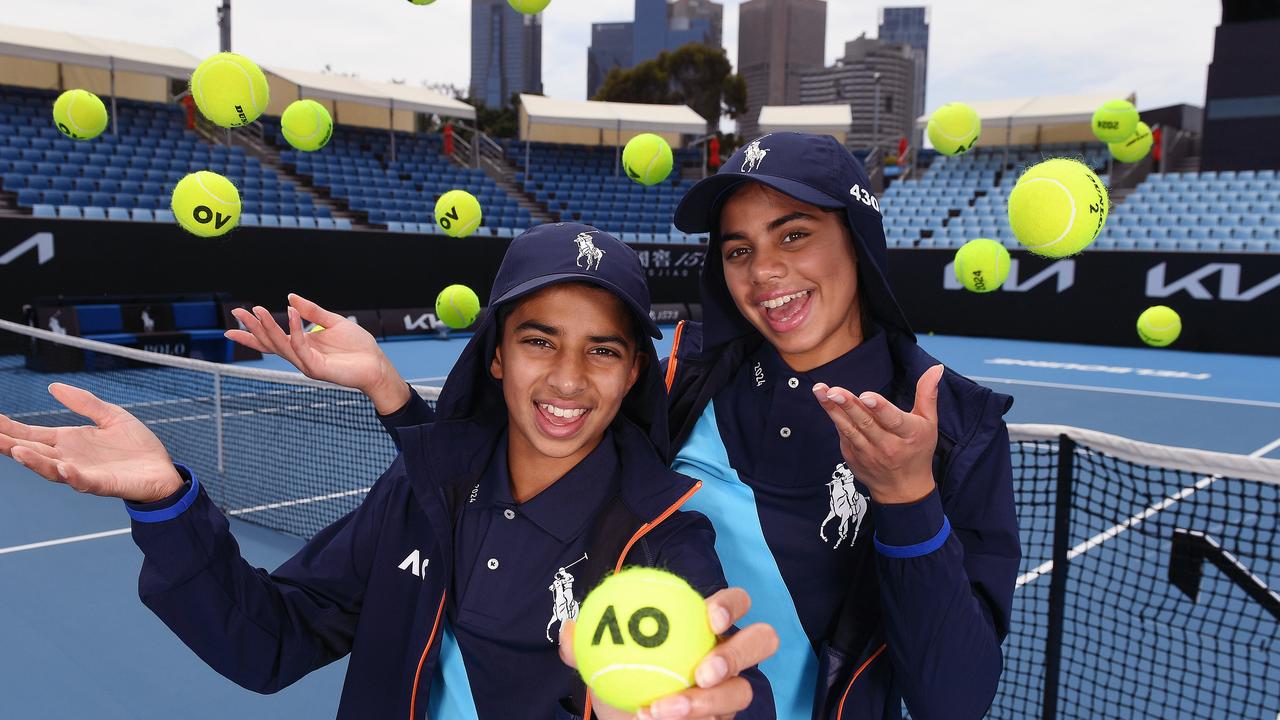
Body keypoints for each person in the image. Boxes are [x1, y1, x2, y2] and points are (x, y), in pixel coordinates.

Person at [0, 223, 777, 720]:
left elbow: (721, 692)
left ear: (634, 370)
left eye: (603, 349)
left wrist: (697, 707)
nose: (570, 379)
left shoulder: (666, 542)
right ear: (497, 355)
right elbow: (268, 643)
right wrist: (169, 504)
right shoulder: (416, 496)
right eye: (541, 341)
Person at [660, 132, 1021, 718]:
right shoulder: (679, 379)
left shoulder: (958, 426)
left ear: (856, 239)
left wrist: (907, 498)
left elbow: (952, 700)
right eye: (738, 250)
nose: (763, 272)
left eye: (794, 235)